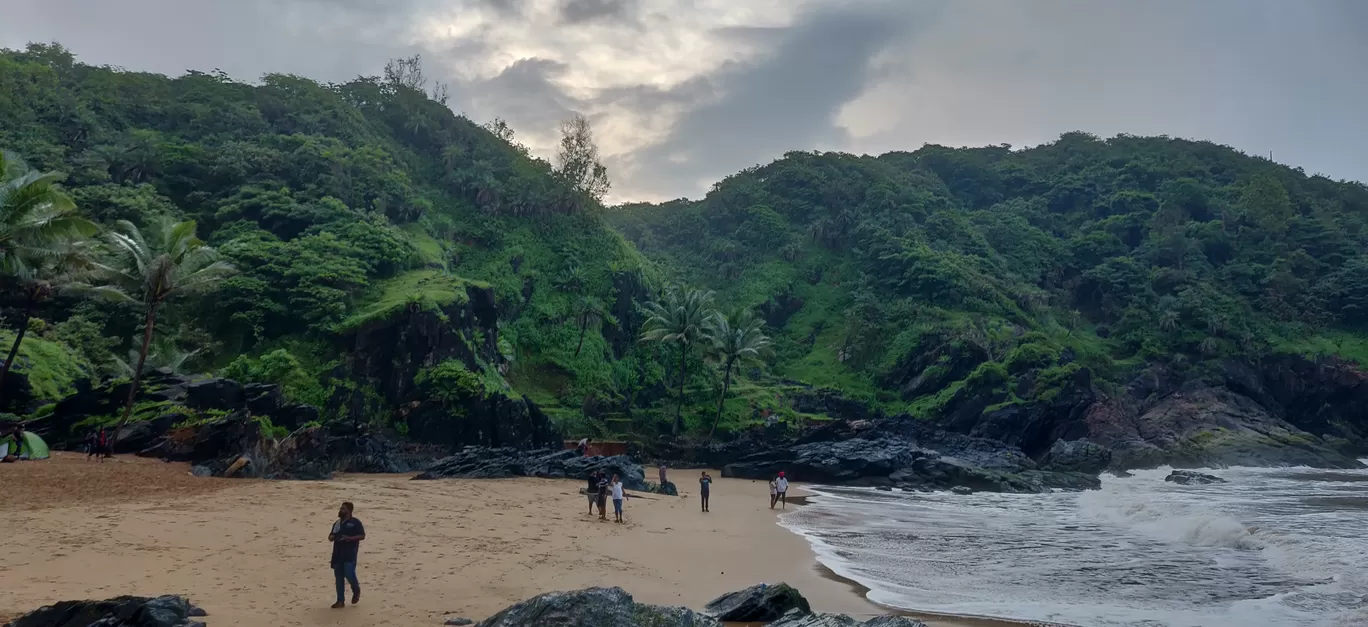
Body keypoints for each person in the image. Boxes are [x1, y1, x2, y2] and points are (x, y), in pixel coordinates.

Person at [328, 501, 366, 609]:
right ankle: (340, 601)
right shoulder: (337, 523)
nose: (341, 510)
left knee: (349, 574)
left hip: (350, 553)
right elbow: (331, 536)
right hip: (337, 554)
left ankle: (356, 589)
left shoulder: (355, 523)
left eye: (343, 509)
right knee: (338, 578)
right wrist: (332, 537)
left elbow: (362, 535)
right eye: (340, 508)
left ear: (349, 511)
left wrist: (350, 538)